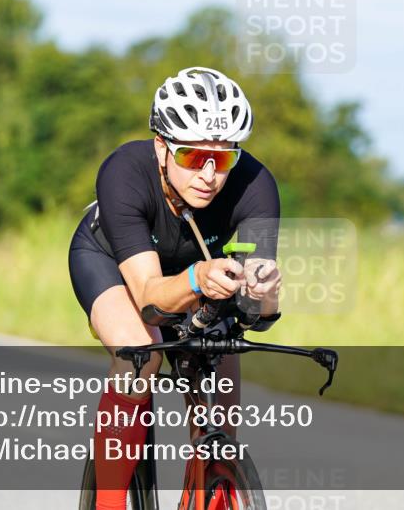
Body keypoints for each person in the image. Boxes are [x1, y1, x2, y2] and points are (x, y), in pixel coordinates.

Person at [68, 66, 282, 510]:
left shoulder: (257, 186)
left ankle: (213, 487)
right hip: (113, 260)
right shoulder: (123, 172)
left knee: (220, 403)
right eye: (193, 157)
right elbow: (148, 297)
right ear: (162, 147)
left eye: (222, 158)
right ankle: (108, 504)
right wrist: (196, 279)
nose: (209, 174)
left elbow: (258, 314)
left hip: (199, 273)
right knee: (140, 354)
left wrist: (263, 293)